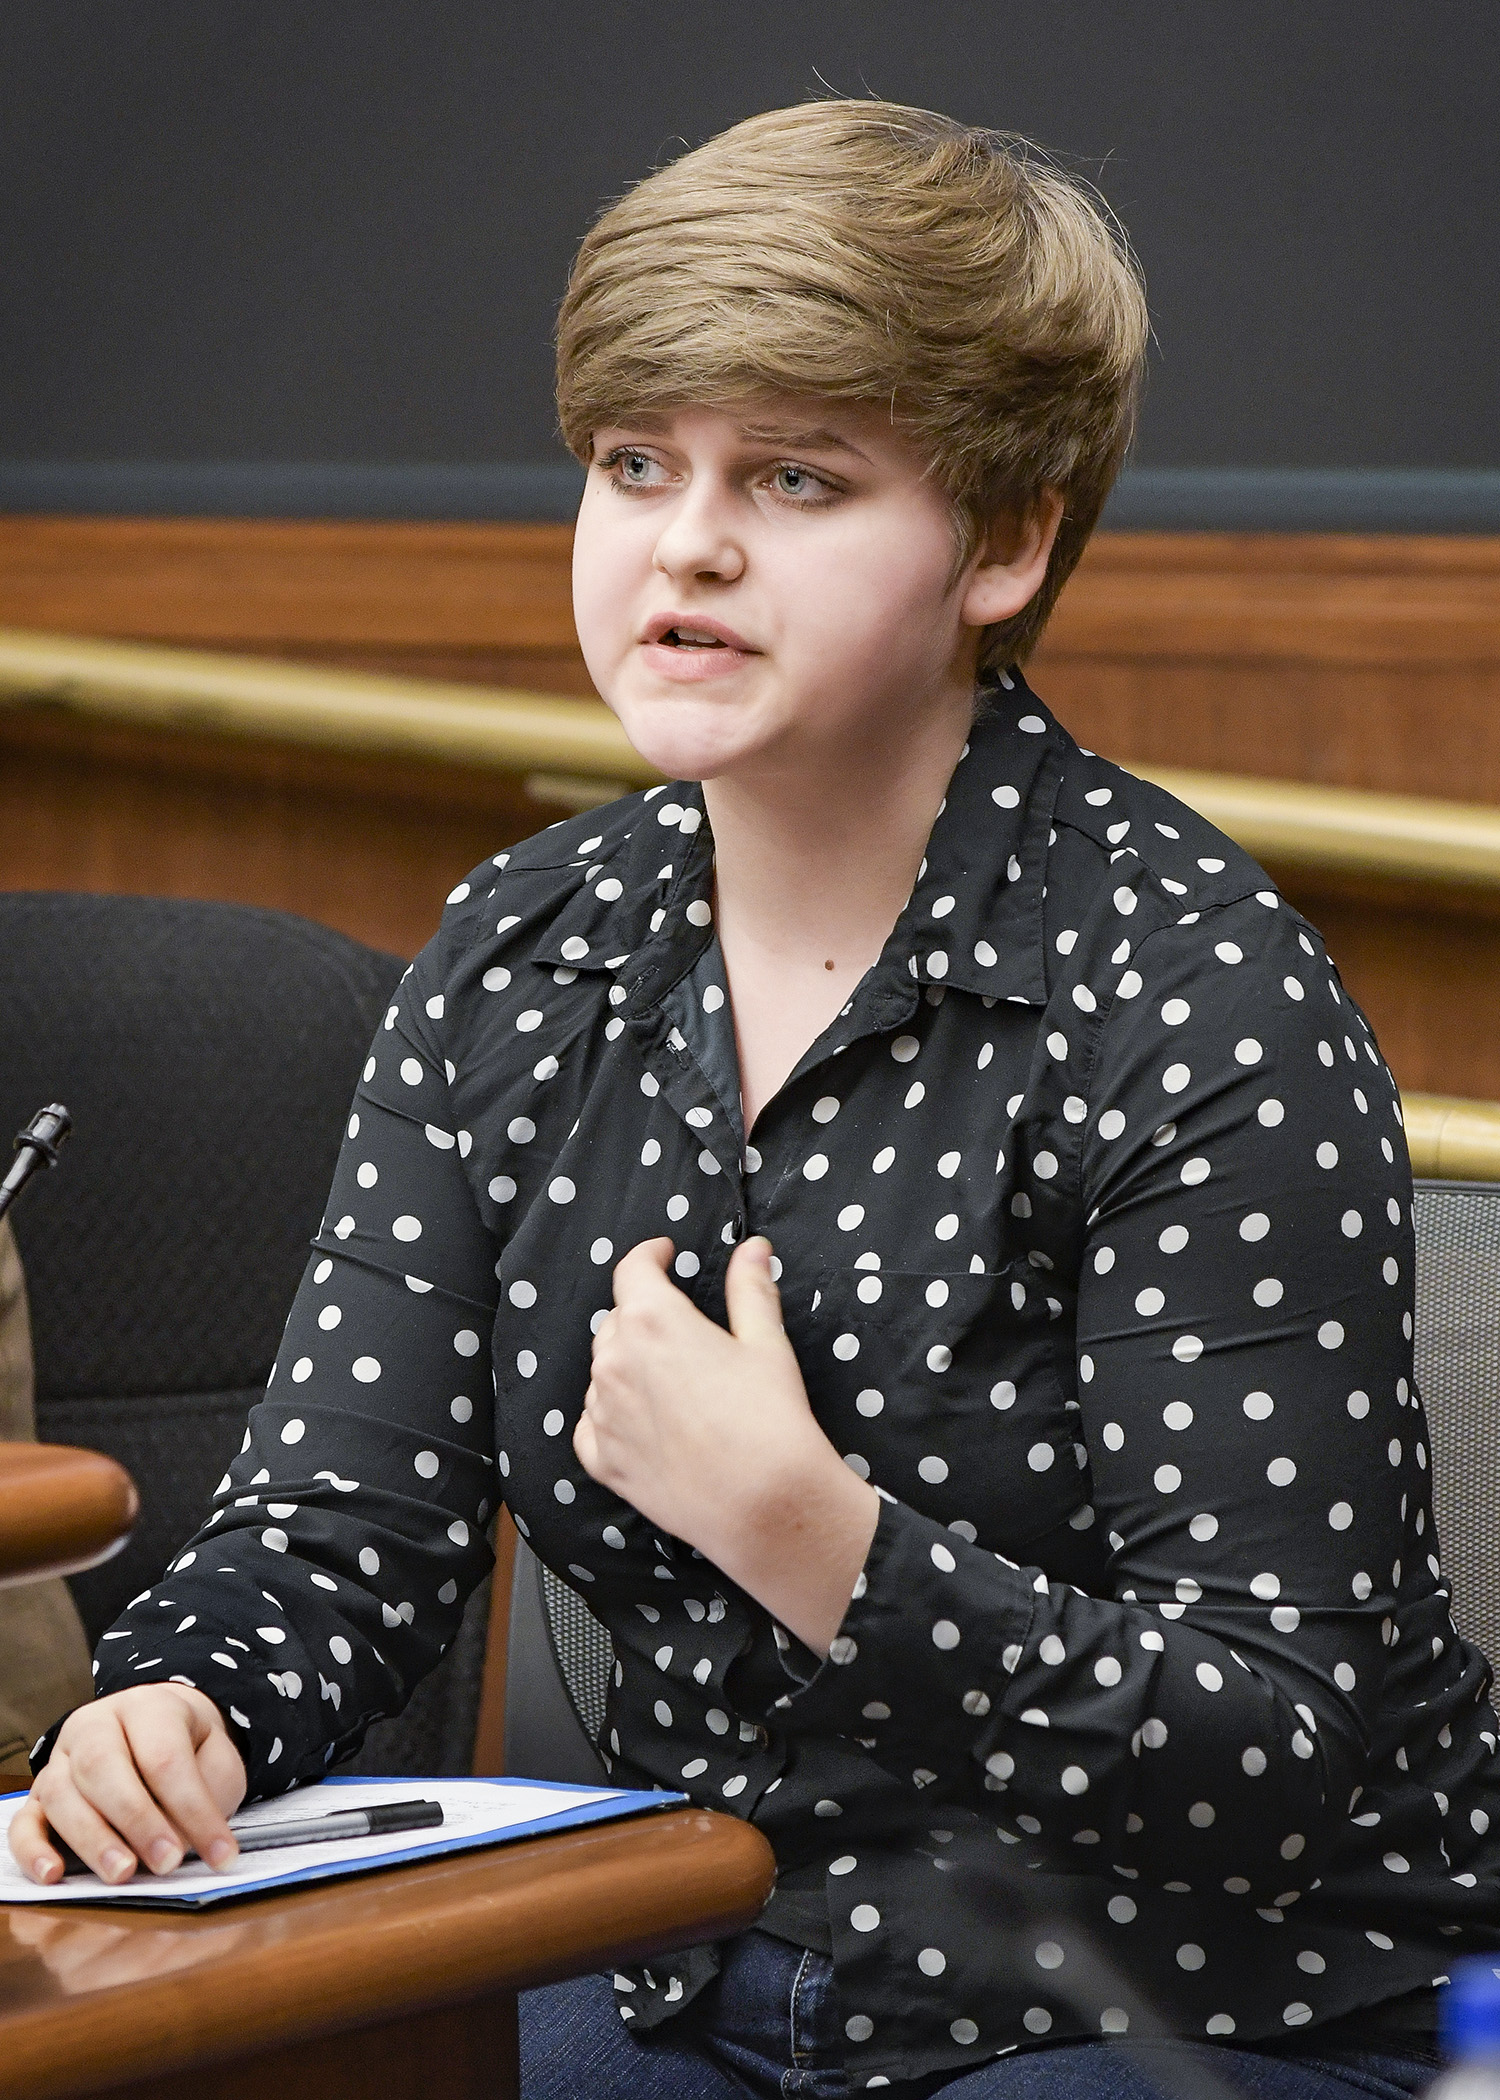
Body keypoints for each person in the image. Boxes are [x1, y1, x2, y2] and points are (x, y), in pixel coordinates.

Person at [12, 99, 1500, 2098]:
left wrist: (812, 1537)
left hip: (1180, 2011)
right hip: (678, 1968)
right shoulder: (525, 951)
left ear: (1007, 539)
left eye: (796, 477)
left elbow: (1280, 1752)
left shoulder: (1194, 993)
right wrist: (177, 1705)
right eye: (637, 462)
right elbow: (336, 1529)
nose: (687, 542)